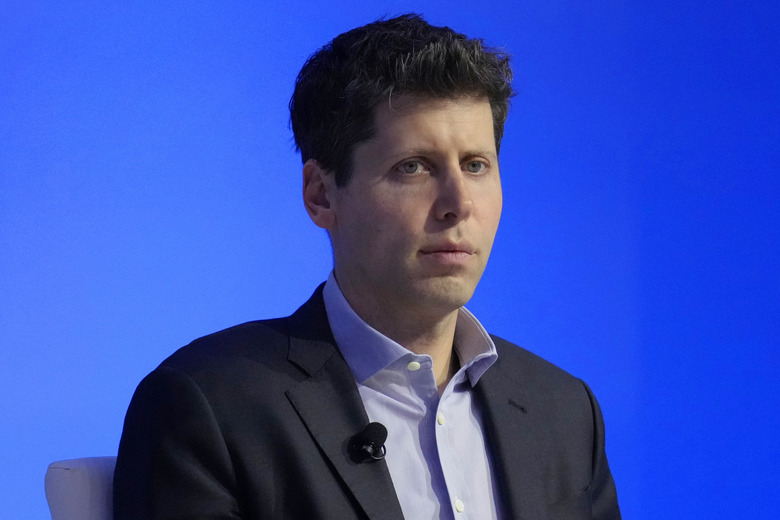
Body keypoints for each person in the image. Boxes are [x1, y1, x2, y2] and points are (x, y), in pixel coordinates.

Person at [114, 13, 621, 520]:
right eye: (413, 167)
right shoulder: (210, 407)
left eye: (476, 165)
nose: (458, 204)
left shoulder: (565, 411)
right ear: (320, 194)